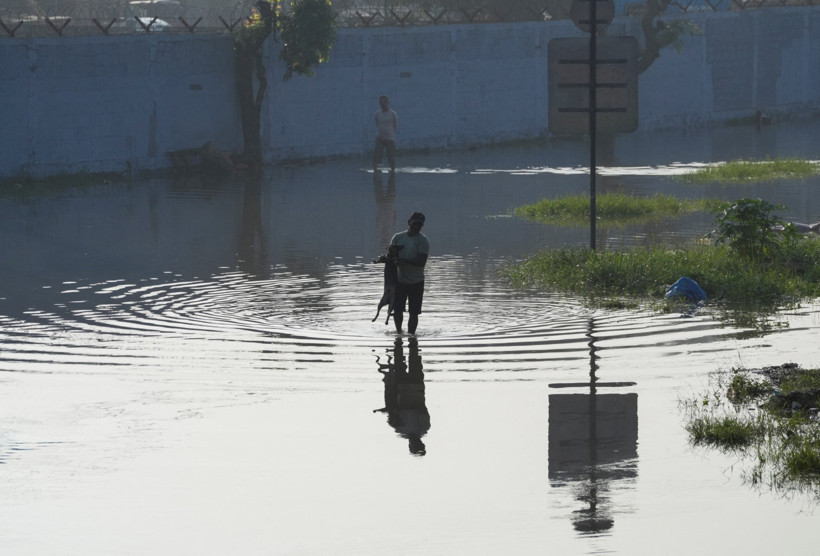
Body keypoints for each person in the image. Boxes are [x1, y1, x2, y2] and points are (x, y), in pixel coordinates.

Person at [390, 212, 429, 334]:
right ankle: (399, 334)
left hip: (416, 281)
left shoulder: (423, 241)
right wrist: (387, 259)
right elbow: (391, 255)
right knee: (397, 310)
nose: (416, 227)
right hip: (399, 281)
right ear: (409, 222)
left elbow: (421, 262)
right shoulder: (397, 237)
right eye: (415, 223)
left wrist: (403, 260)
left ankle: (411, 336)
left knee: (414, 312)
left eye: (419, 225)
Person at [373, 95, 398, 173]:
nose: (383, 103)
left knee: (391, 156)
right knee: (377, 155)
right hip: (380, 138)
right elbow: (377, 124)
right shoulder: (377, 114)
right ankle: (375, 170)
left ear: (387, 103)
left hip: (390, 138)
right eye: (381, 102)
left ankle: (392, 170)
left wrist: (390, 133)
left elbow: (395, 125)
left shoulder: (392, 114)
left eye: (384, 101)